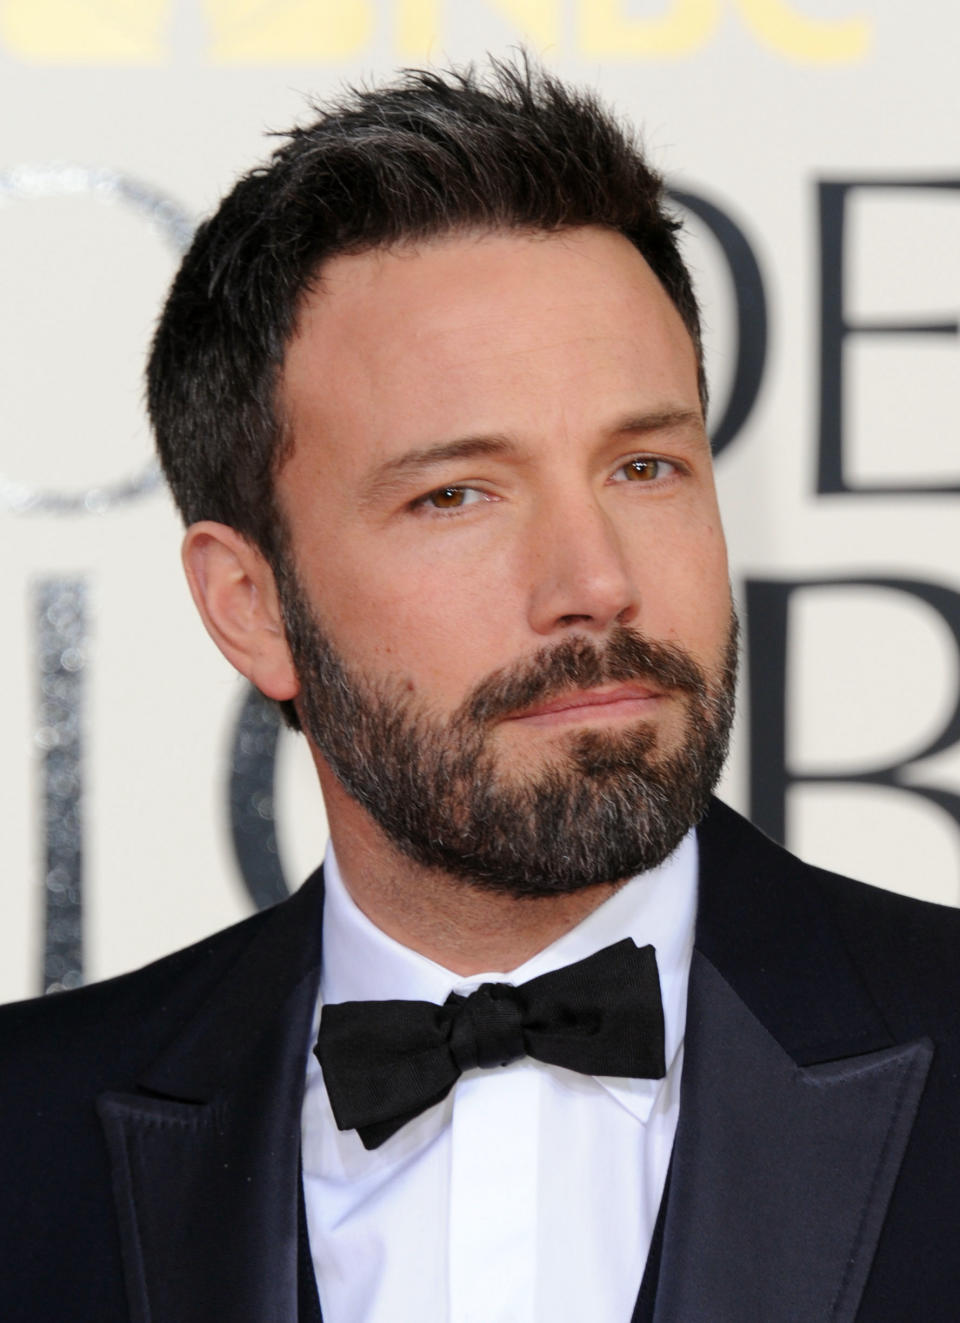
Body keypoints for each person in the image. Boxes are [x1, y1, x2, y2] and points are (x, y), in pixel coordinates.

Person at [2, 56, 958, 1323]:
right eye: (456, 493)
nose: (595, 582)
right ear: (252, 606)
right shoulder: (25, 1144)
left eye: (646, 467)